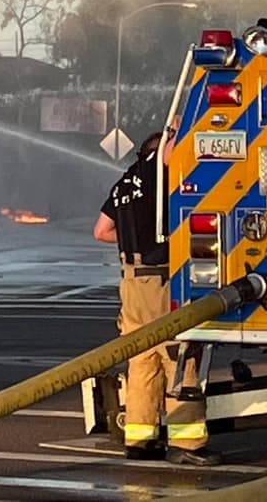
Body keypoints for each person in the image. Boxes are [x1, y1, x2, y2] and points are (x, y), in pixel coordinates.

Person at [94, 130, 215, 465]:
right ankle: (187, 444)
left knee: (142, 360)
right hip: (158, 281)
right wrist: (180, 124)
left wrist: (134, 238)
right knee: (178, 356)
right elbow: (170, 150)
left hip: (131, 283)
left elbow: (101, 231)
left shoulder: (123, 185)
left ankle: (140, 440)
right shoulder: (153, 171)